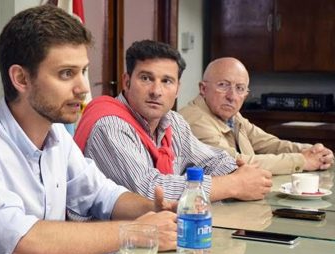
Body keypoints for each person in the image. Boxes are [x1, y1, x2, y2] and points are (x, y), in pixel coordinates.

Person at [0, 6, 178, 254]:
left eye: (82, 71)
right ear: (21, 78)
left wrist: (155, 211)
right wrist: (137, 232)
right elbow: (23, 245)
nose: (83, 88)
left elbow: (102, 195)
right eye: (66, 74)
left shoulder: (57, 134)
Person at [73, 40, 272, 203]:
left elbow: (210, 160)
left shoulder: (173, 122)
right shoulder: (109, 124)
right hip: (110, 243)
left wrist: (238, 171)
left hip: (156, 233)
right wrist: (234, 184)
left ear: (177, 89)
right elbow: (149, 192)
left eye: (166, 81)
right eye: (146, 78)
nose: (156, 91)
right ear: (126, 82)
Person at [179, 57, 334, 175]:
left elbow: (269, 143)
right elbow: (233, 163)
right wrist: (303, 160)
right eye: (223, 85)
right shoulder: (194, 119)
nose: (232, 96)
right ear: (203, 89)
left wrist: (312, 151)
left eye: (240, 88)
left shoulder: (231, 115)